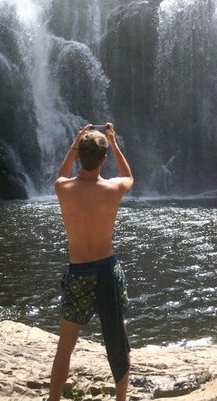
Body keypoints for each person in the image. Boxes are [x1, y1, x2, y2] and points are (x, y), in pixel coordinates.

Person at [49, 123, 134, 401]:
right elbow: (128, 175)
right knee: (117, 340)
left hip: (78, 273)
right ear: (103, 159)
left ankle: (54, 399)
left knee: (66, 345)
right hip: (107, 270)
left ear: (79, 155)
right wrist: (114, 140)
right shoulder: (113, 189)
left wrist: (75, 142)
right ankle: (121, 399)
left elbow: (62, 173)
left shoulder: (63, 188)